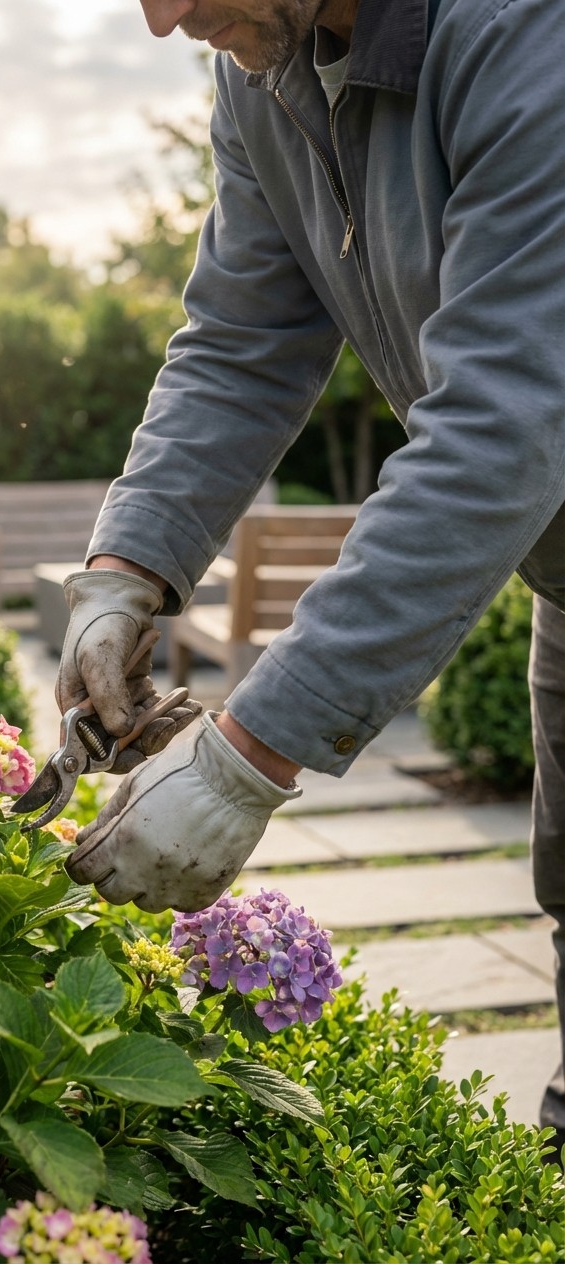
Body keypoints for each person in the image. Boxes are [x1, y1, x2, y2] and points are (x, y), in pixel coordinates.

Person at [55, 0, 565, 1151]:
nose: (159, 18)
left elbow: (507, 424)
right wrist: (121, 571)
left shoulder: (524, 33)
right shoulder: (266, 71)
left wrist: (246, 757)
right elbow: (238, 342)